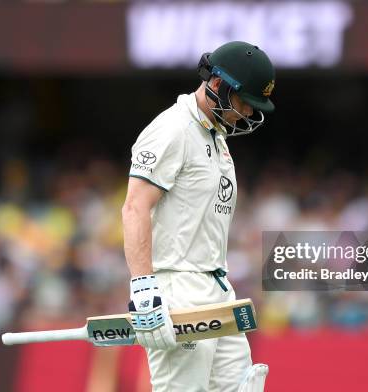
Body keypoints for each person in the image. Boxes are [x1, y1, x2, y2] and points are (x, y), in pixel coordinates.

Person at [122, 41, 275, 392]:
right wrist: (144, 288)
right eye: (245, 103)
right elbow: (134, 206)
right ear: (218, 86)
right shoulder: (172, 129)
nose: (249, 115)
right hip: (178, 288)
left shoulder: (217, 138)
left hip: (217, 287)